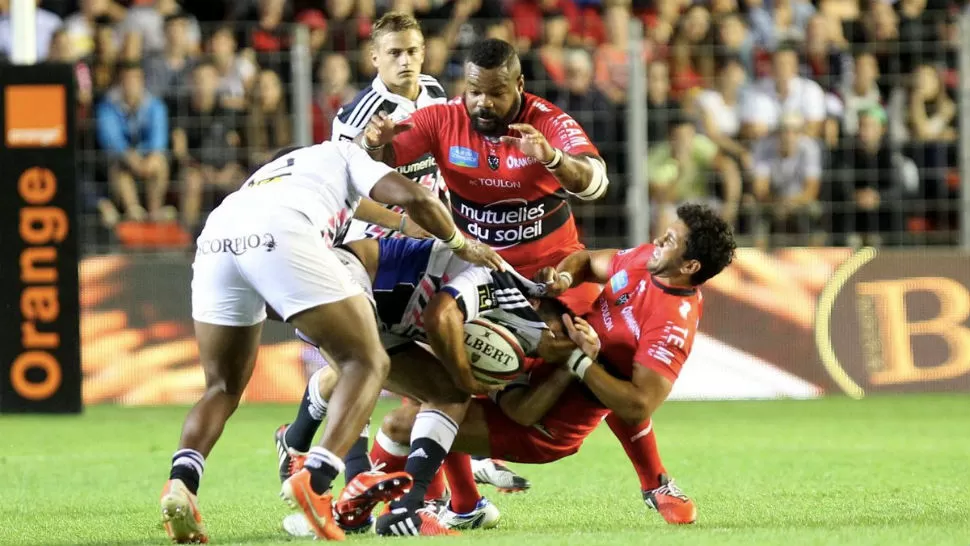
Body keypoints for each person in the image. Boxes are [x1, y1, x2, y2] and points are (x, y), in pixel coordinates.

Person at [158, 142, 503, 543]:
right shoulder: (344, 154)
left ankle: (181, 483)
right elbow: (415, 196)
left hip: (218, 234)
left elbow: (366, 209)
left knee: (221, 387)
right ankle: (317, 480)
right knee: (368, 362)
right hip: (281, 232)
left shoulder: (279, 176)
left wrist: (404, 226)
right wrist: (463, 244)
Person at [273, 13, 529, 524]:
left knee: (415, 361)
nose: (406, 60)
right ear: (375, 58)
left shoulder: (435, 93)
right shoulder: (358, 115)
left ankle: (445, 497)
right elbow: (348, 193)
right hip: (371, 250)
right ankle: (370, 490)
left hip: (428, 242)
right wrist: (403, 220)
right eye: (394, 52)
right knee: (368, 366)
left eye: (413, 50)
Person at [364, 203, 736, 532]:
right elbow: (588, 261)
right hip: (537, 367)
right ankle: (460, 507)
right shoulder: (646, 261)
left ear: (689, 266)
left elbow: (637, 405)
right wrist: (564, 279)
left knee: (403, 423)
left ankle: (374, 509)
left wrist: (575, 359)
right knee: (439, 379)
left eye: (669, 241)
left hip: (545, 424)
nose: (657, 240)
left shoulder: (672, 324)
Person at [273, 235, 590, 536]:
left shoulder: (519, 339)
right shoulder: (494, 279)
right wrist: (464, 375)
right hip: (342, 278)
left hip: (384, 320)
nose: (558, 349)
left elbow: (518, 409)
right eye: (564, 338)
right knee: (366, 369)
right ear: (543, 313)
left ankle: (405, 510)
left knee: (447, 395)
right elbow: (439, 315)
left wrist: (572, 361)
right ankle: (316, 477)